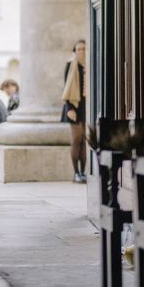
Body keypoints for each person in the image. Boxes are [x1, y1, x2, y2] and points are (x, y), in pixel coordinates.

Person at [61, 39, 87, 183]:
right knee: (77, 138)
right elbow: (67, 87)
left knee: (85, 139)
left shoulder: (91, 65)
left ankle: (84, 172)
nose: (82, 51)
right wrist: (70, 108)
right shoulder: (71, 66)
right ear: (75, 52)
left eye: (84, 49)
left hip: (87, 105)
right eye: (79, 49)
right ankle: (76, 172)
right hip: (73, 105)